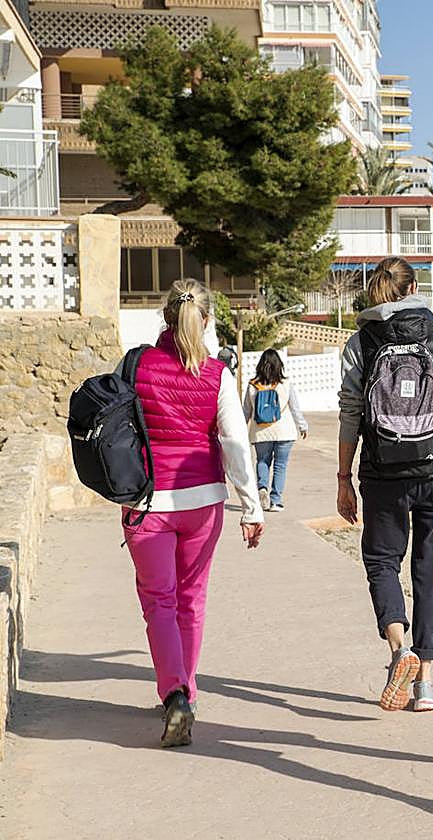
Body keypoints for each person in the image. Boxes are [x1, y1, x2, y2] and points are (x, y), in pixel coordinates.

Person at [121, 278, 264, 748]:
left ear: (166, 317)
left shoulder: (137, 364)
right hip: (204, 501)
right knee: (191, 599)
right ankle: (190, 690)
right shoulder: (219, 374)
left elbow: (115, 427)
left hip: (148, 501)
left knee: (159, 601)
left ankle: (174, 692)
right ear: (206, 320)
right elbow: (235, 441)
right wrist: (252, 505)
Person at [337, 257, 433, 712]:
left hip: (382, 469)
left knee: (382, 562)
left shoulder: (361, 340)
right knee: (428, 574)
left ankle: (398, 645)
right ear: (415, 287)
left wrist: (344, 478)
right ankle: (425, 684)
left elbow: (350, 412)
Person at [243, 348, 308, 512]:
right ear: (279, 365)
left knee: (262, 462)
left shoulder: (253, 385)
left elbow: (246, 411)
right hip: (284, 431)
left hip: (260, 432)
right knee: (280, 466)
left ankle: (262, 488)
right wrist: (302, 426)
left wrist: (240, 430)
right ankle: (275, 501)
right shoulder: (285, 384)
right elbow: (295, 408)